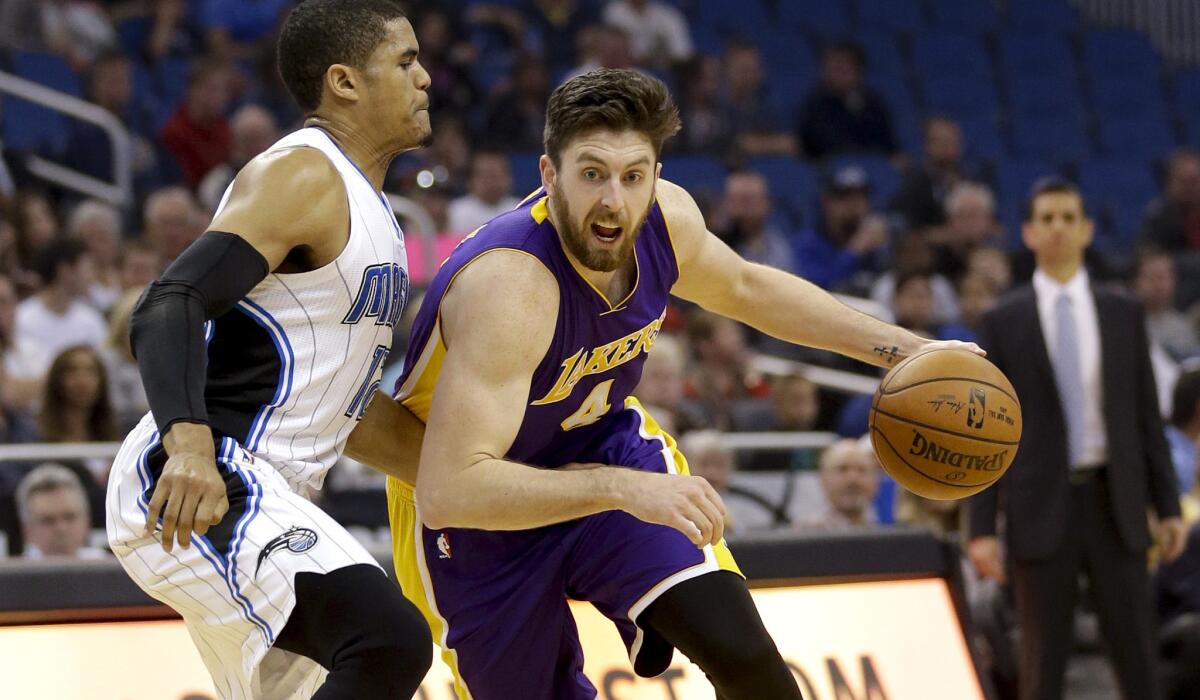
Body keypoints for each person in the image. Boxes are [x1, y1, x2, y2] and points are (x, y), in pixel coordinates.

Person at [385, 68, 978, 700]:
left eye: (633, 175)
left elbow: (748, 287)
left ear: (657, 178)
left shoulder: (666, 220)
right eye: (591, 174)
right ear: (549, 176)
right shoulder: (509, 285)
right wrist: (618, 489)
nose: (614, 199)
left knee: (752, 665)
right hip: (478, 514)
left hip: (602, 448)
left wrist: (905, 349)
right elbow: (452, 489)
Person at [105, 2, 435, 698]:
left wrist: (470, 475)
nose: (426, 78)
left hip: (276, 496)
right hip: (206, 477)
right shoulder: (304, 174)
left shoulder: (375, 211)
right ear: (344, 82)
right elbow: (168, 302)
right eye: (405, 62)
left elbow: (343, 407)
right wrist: (189, 445)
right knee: (386, 639)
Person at [967, 177, 1186, 700]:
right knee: (1041, 666)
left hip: (1117, 503)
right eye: (1047, 218)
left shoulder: (1122, 311)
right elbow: (984, 432)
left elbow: (1145, 420)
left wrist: (1169, 504)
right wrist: (980, 526)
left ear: (1087, 229)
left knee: (1138, 661)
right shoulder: (1002, 320)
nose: (1058, 227)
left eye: (1068, 217)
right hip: (1038, 505)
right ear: (1028, 232)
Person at [16, 463, 107, 560]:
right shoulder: (10, 573)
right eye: (48, 521)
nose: (61, 528)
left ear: (87, 520)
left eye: (70, 517)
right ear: (27, 530)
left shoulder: (112, 567)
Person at [796, 438, 879, 532]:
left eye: (861, 470)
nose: (853, 479)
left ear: (876, 481)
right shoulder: (806, 534)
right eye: (842, 469)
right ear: (823, 480)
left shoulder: (888, 528)